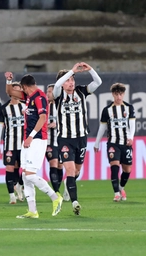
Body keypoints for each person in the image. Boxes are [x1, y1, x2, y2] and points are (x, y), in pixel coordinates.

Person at [5, 72, 63, 219]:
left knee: (30, 175)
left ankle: (55, 197)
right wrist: (9, 80)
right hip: (28, 140)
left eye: (22, 88)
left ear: (25, 87)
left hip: (37, 139)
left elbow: (43, 117)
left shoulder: (40, 97)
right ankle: (33, 211)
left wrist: (30, 137)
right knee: (25, 175)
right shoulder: (29, 96)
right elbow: (10, 91)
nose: (21, 92)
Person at [53, 62, 102, 215]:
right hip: (65, 139)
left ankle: (69, 187)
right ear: (63, 83)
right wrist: (71, 71)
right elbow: (57, 85)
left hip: (81, 137)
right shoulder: (58, 94)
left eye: (73, 79)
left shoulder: (81, 92)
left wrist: (91, 70)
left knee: (77, 171)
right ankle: (75, 202)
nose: (71, 82)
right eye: (68, 80)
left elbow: (98, 82)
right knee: (70, 169)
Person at [94, 83, 136, 202]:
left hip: (126, 143)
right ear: (113, 94)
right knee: (114, 166)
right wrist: (97, 143)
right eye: (116, 94)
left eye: (121, 94)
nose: (119, 97)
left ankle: (121, 188)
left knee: (127, 170)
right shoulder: (107, 110)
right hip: (113, 143)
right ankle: (116, 193)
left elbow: (132, 125)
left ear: (124, 94)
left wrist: (131, 137)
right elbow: (102, 128)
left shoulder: (129, 108)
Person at [0, 82, 25, 204]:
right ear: (11, 92)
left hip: (24, 145)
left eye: (20, 91)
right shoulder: (3, 108)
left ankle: (19, 185)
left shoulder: (25, 107)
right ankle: (12, 196)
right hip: (10, 144)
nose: (18, 93)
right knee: (10, 168)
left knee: (24, 170)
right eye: (15, 91)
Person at [46, 84, 63, 194]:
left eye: (51, 91)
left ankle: (58, 189)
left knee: (60, 166)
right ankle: (56, 192)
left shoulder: (61, 106)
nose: (48, 94)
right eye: (47, 91)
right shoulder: (43, 106)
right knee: (53, 163)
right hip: (48, 141)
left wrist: (57, 123)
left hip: (61, 141)